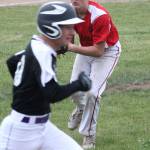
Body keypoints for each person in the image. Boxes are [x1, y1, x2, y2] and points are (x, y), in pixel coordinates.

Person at [0, 2, 92, 150]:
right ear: (51, 27)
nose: (72, 32)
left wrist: (27, 88)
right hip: (20, 133)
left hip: (42, 126)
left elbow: (13, 61)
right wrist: (79, 84)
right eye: (67, 27)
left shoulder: (37, 45)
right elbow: (52, 94)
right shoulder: (42, 51)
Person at [67, 0, 122, 149]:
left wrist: (71, 47)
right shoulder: (70, 10)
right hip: (85, 49)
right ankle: (80, 109)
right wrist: (63, 43)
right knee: (75, 88)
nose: (72, 1)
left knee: (92, 92)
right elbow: (69, 34)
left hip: (107, 52)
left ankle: (88, 135)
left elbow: (98, 51)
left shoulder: (99, 16)